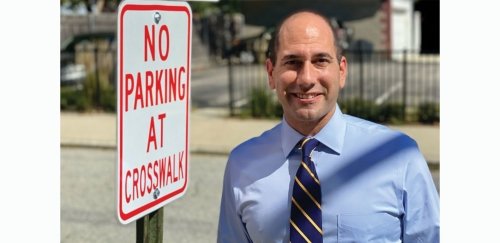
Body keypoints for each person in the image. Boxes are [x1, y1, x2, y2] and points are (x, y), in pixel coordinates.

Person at [217, 10, 439, 242]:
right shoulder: (242, 165)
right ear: (271, 73)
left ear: (341, 71)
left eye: (320, 60)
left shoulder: (399, 157)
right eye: (292, 62)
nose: (306, 79)